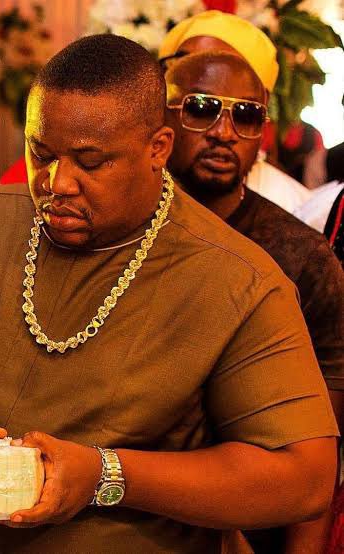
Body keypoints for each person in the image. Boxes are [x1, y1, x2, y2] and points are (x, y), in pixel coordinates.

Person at [0, 35, 337, 553]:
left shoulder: (238, 279)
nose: (57, 182)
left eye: (90, 162)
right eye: (41, 153)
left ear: (158, 148)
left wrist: (106, 476)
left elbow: (304, 477)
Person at [164, 50, 344, 553]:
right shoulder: (122, 231)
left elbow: (322, 440)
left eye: (245, 116)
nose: (224, 132)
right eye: (202, 108)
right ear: (162, 119)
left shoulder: (302, 256)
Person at [159, 10, 312, 216]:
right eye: (201, 104)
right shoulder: (129, 190)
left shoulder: (296, 208)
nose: (223, 132)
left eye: (226, 65)